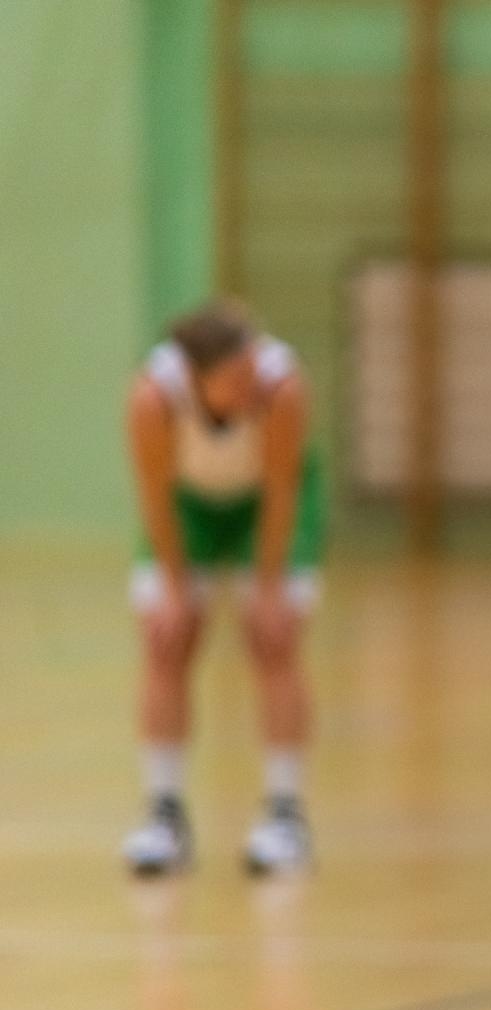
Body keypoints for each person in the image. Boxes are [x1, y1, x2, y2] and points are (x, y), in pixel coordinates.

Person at [122, 300, 326, 877]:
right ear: (194, 376)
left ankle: (286, 814)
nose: (249, 384)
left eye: (252, 367)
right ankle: (164, 814)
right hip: (189, 507)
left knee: (275, 642)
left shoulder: (282, 388)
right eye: (234, 378)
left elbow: (283, 489)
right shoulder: (153, 399)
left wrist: (266, 591)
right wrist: (172, 585)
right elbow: (155, 494)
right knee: (166, 642)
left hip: (268, 503)